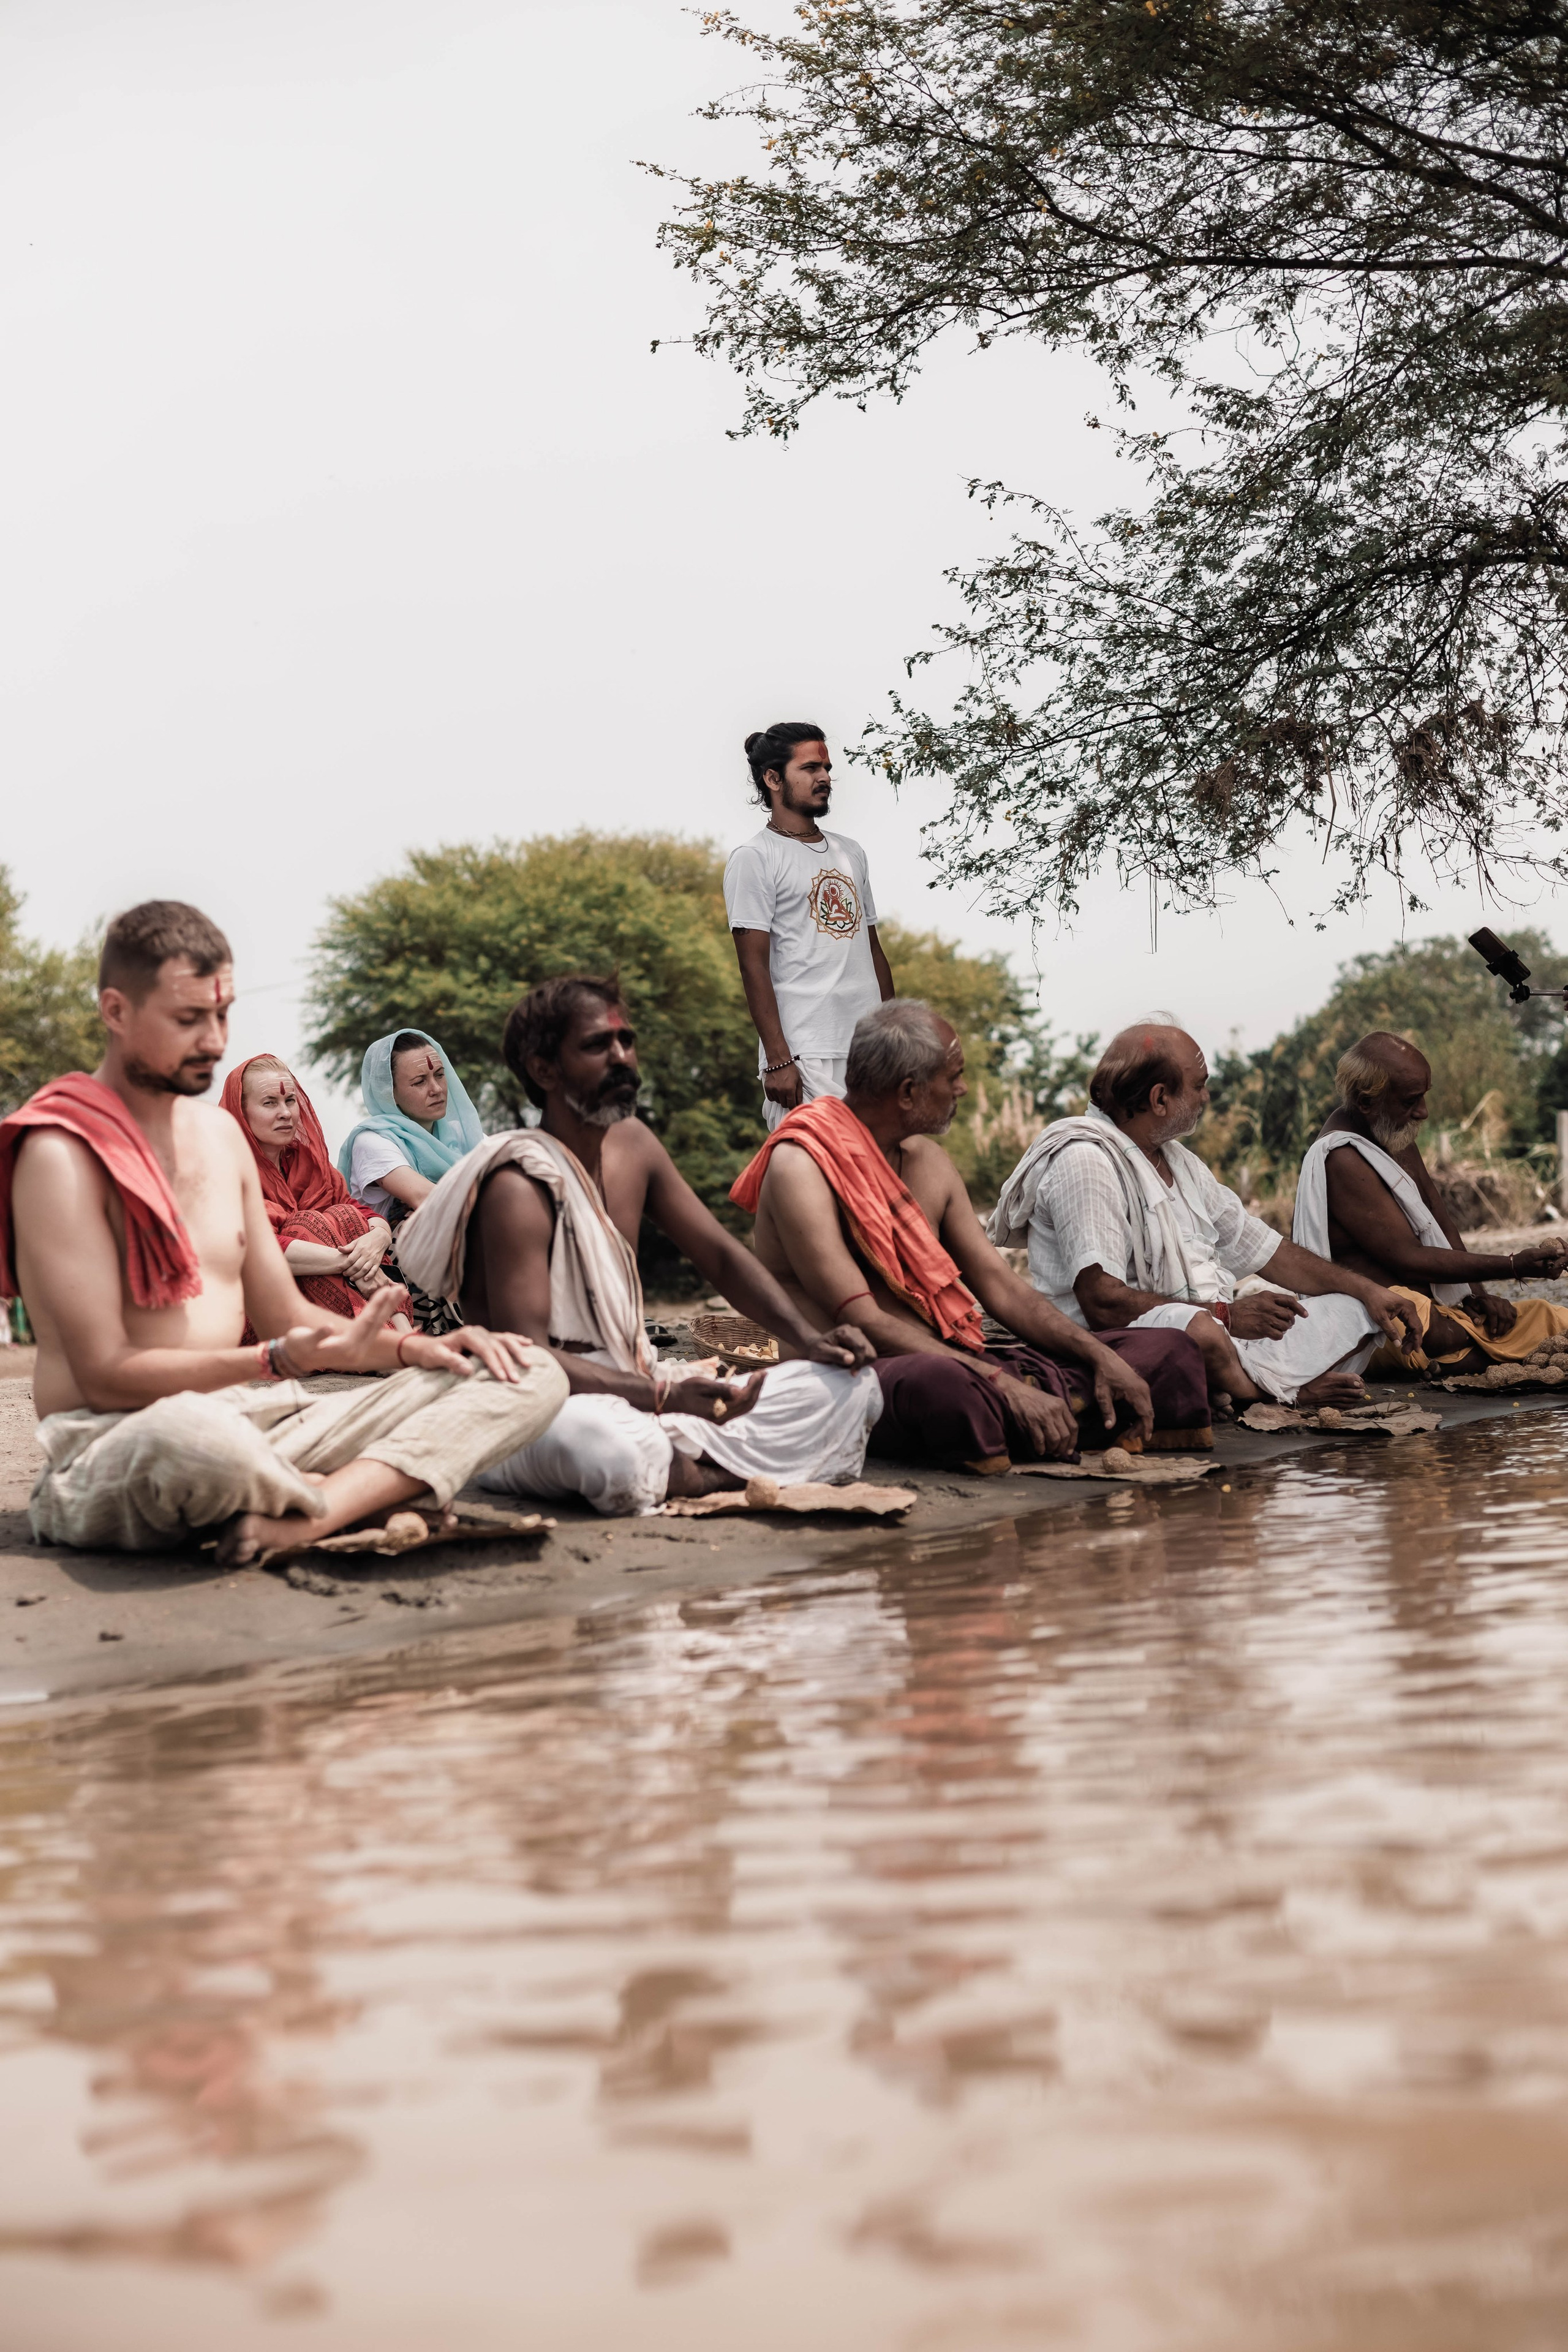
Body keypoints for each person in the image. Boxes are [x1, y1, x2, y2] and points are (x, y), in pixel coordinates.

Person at [0, 901, 567, 1564]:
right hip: (120, 1445)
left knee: (529, 1374)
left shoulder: (219, 1137)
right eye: (188, 1019)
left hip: (249, 1418)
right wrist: (272, 1361)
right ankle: (359, 1492)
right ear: (116, 1012)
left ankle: (309, 1511)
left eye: (222, 1015)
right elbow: (103, 1375)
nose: (214, 1040)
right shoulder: (60, 1155)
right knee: (193, 1437)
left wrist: (416, 1349)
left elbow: (283, 1315)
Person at [392, 973, 884, 1515]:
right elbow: (529, 1359)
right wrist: (664, 1398)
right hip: (536, 1404)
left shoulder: (634, 1144)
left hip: (638, 1381)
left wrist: (810, 1341)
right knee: (607, 1449)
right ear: (544, 1069)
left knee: (853, 1386)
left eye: (626, 1040)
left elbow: (722, 1258)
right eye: (597, 1045)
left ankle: (686, 1470)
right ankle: (706, 1470)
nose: (622, 1056)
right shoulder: (518, 1184)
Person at [733, 1000, 1213, 1472]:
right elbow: (861, 1320)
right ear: (909, 1092)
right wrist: (1005, 1385)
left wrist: (1099, 1353)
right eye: (954, 1077)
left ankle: (1038, 1416)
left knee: (1167, 1350)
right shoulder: (801, 1165)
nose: (963, 1089)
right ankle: (1044, 1412)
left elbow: (1002, 1288)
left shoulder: (929, 1162)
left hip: (957, 1358)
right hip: (856, 1371)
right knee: (946, 1388)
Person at [989, 1021, 1419, 1408]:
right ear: (1160, 1098)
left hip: (1215, 1332)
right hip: (1122, 1345)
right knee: (1200, 1331)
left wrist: (1369, 1291)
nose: (1206, 1097)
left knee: (1356, 1310)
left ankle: (1242, 1381)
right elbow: (1103, 1302)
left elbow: (1266, 1250)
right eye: (1199, 1086)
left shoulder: (1180, 1163)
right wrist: (1228, 1315)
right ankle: (1277, 1392)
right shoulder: (1086, 1160)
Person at [1294, 1031, 1568, 1373]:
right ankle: (1471, 1353)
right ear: (1366, 1102)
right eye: (1410, 1101)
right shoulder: (1342, 1157)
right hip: (1385, 1322)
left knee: (1551, 1318)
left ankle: (1469, 1349)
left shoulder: (1393, 1133)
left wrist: (1475, 1296)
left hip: (1443, 1312)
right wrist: (1512, 1265)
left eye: (1423, 1097)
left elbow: (1439, 1220)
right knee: (1418, 1321)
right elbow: (1408, 1259)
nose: (1423, 1112)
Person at [725, 722, 895, 1130]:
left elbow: (872, 949)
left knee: (880, 1164)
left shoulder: (851, 853)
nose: (824, 778)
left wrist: (895, 1038)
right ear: (773, 779)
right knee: (818, 1165)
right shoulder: (754, 858)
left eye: (827, 768)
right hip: (805, 1054)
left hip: (867, 1050)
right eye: (810, 768)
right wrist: (778, 1059)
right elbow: (753, 966)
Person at [220, 1054, 396, 1329]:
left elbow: (358, 1211)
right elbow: (258, 1250)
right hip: (252, 1309)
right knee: (307, 1223)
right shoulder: (224, 1170)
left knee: (345, 1215)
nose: (286, 1113)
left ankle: (398, 1335)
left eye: (290, 1100)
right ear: (241, 1112)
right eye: (270, 1103)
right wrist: (351, 1262)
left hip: (327, 1297)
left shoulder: (310, 1163)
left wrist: (380, 1238)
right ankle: (386, 1341)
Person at [337, 1028, 486, 1335]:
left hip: (466, 1243)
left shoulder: (462, 1135)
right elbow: (425, 1197)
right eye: (420, 1082)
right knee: (421, 1220)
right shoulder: (373, 1140)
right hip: (396, 1266)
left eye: (440, 1075)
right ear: (389, 1093)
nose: (437, 1089)